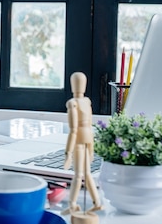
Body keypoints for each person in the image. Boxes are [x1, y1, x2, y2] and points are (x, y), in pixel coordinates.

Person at [63, 72, 102, 223]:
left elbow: (73, 130)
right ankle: (97, 202)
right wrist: (91, 147)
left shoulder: (73, 103)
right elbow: (90, 125)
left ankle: (72, 204)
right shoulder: (87, 101)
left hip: (79, 140)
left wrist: (68, 153)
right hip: (88, 137)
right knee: (88, 174)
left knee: (78, 175)